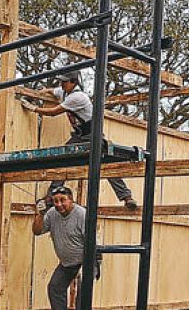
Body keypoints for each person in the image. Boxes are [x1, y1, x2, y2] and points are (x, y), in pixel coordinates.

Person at [25, 71, 138, 210]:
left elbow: (54, 112)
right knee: (62, 159)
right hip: (79, 135)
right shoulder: (65, 92)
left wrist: (34, 109)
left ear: (73, 82)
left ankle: (126, 197)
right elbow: (53, 91)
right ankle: (51, 196)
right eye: (62, 82)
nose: (62, 84)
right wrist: (41, 92)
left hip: (92, 135)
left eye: (65, 82)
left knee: (105, 164)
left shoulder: (78, 97)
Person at [32, 186, 88, 310]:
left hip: (87, 259)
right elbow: (37, 231)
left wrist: (86, 265)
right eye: (55, 201)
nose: (59, 205)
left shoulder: (81, 214)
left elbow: (92, 241)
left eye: (63, 200)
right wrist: (40, 214)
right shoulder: (51, 214)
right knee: (55, 288)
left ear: (71, 200)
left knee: (83, 292)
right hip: (67, 262)